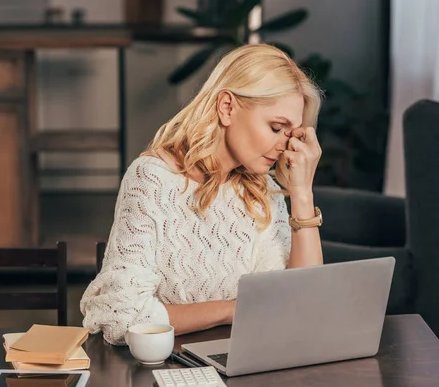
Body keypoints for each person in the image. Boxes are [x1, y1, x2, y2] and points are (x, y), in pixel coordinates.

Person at [80, 44, 324, 345]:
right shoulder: (153, 179)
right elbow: (123, 318)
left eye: (291, 133)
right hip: (166, 366)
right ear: (227, 107)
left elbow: (302, 303)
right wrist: (232, 311)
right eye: (276, 128)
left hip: (248, 359)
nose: (284, 146)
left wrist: (302, 193)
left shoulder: (262, 188)